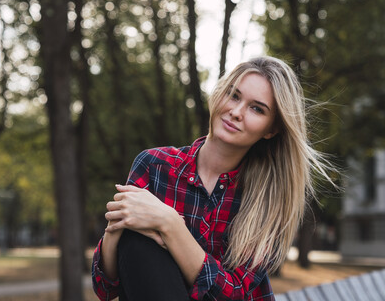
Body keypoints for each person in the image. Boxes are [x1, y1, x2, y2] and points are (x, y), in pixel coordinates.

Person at [91, 56, 334, 300]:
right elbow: (106, 288)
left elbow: (233, 293)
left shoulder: (268, 198)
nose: (236, 112)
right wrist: (114, 230)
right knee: (136, 240)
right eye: (234, 95)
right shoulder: (155, 166)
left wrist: (170, 225)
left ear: (271, 130)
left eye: (257, 109)